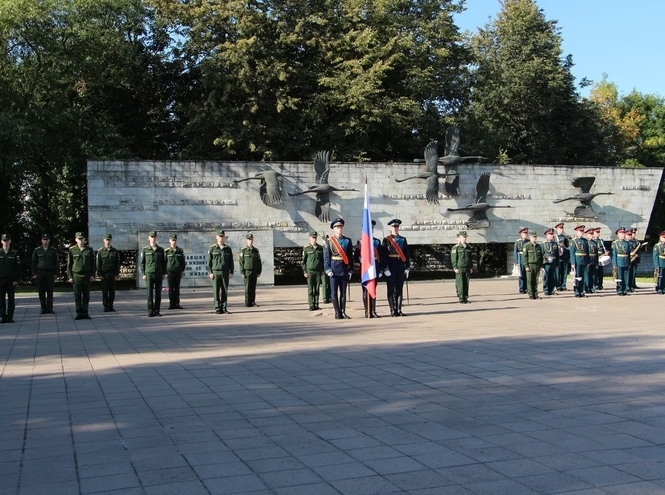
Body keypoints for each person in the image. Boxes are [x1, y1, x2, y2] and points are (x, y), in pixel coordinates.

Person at [323, 218, 354, 319]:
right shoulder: (330, 241)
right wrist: (327, 269)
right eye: (337, 227)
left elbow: (350, 256)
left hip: (344, 269)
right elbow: (327, 256)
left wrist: (350, 269)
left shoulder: (347, 241)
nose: (339, 229)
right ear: (334, 229)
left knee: (343, 293)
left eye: (340, 227)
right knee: (334, 292)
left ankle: (343, 311)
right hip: (334, 270)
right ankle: (337, 312)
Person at [354, 220, 385, 318]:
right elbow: (355, 257)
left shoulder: (376, 242)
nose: (370, 230)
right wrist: (360, 258)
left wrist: (380, 270)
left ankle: (373, 311)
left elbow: (380, 257)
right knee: (365, 290)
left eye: (371, 228)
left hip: (374, 268)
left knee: (373, 290)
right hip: (365, 269)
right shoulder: (360, 242)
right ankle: (367, 311)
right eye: (368, 228)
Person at [383, 218, 410, 316]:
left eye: (397, 226)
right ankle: (392, 310)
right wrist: (385, 268)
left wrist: (407, 267)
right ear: (390, 228)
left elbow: (406, 254)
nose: (395, 228)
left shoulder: (403, 239)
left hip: (400, 266)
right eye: (393, 227)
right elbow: (383, 256)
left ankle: (399, 309)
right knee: (390, 289)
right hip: (390, 266)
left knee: (399, 289)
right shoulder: (386, 240)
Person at [67, 232, 95, 320]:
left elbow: (92, 264)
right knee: (77, 295)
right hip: (76, 275)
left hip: (86, 275)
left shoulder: (89, 250)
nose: (80, 240)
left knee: (86, 295)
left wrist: (92, 275)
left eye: (82, 238)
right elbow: (69, 264)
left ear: (85, 239)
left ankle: (85, 312)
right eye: (79, 239)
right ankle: (79, 312)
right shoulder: (72, 250)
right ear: (75, 239)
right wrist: (70, 276)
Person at [140, 231, 166, 317]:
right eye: (151, 237)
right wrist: (143, 273)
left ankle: (157, 310)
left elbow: (163, 262)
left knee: (158, 293)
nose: (153, 238)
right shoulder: (145, 249)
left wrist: (164, 273)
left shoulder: (161, 250)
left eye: (154, 237)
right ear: (149, 238)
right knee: (149, 293)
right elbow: (142, 263)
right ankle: (151, 310)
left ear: (156, 238)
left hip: (158, 273)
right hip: (149, 273)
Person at [207, 229, 234, 314]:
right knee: (216, 291)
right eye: (219, 236)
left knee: (224, 290)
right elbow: (209, 262)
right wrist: (210, 272)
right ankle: (217, 307)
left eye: (222, 236)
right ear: (216, 237)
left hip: (225, 272)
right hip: (215, 272)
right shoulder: (212, 248)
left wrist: (231, 272)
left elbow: (231, 261)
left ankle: (224, 307)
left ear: (224, 237)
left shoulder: (228, 249)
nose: (221, 238)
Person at [31, 233, 59, 314]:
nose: (45, 241)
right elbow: (34, 263)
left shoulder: (53, 250)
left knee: (50, 291)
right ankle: (43, 308)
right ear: (41, 240)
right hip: (40, 272)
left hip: (50, 272)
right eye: (44, 239)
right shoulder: (37, 250)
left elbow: (56, 263)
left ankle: (49, 308)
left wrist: (56, 274)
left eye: (47, 240)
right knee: (41, 291)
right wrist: (34, 274)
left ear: (49, 240)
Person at [96, 233, 121, 312]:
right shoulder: (100, 251)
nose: (108, 242)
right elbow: (98, 263)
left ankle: (111, 305)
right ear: (104, 240)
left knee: (112, 291)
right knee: (105, 291)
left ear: (111, 241)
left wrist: (117, 273)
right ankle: (105, 306)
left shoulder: (114, 251)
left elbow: (117, 263)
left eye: (109, 240)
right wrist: (99, 274)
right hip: (104, 274)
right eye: (106, 240)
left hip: (112, 274)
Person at [0, 234, 20, 324]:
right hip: (1, 279)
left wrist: (16, 280)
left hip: (11, 280)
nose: (6, 242)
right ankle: (3, 316)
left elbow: (17, 268)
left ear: (10, 241)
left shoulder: (14, 253)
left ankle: (10, 316)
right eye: (4, 240)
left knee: (11, 299)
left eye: (7, 240)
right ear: (1, 241)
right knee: (1, 299)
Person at [302, 231, 324, 311]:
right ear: (310, 238)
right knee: (311, 289)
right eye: (313, 237)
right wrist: (305, 271)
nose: (314, 239)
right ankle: (311, 305)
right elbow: (303, 262)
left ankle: (316, 304)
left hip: (318, 271)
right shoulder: (307, 248)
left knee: (317, 288)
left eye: (315, 237)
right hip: (310, 271)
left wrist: (322, 270)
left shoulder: (320, 248)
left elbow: (322, 260)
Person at [239, 233, 262, 307]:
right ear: (246, 240)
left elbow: (259, 262)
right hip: (247, 271)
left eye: (251, 239)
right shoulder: (243, 250)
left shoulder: (256, 250)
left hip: (254, 271)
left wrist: (259, 271)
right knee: (247, 287)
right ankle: (247, 301)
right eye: (249, 239)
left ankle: (252, 301)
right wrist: (242, 272)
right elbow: (241, 262)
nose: (250, 241)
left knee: (253, 287)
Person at [165, 234, 186, 310]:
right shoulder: (167, 251)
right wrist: (165, 272)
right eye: (172, 240)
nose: (173, 242)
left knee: (177, 288)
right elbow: (164, 262)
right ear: (169, 241)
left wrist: (182, 270)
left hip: (178, 272)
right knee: (171, 288)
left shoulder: (180, 251)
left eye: (175, 240)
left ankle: (177, 303)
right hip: (170, 272)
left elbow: (183, 262)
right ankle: (171, 304)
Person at [451, 231, 473, 303]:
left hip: (467, 267)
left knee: (466, 283)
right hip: (460, 268)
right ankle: (461, 297)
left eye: (465, 237)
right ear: (459, 238)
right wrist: (455, 267)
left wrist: (471, 267)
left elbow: (470, 258)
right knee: (460, 283)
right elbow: (454, 258)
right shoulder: (456, 248)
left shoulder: (468, 247)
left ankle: (465, 297)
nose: (465, 238)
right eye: (463, 237)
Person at [569, 225, 589, 298]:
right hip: (577, 261)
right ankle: (577, 291)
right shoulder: (573, 241)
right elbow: (572, 253)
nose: (582, 233)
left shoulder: (585, 240)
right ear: (577, 232)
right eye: (580, 231)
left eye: (582, 231)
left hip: (584, 261)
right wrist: (573, 263)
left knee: (582, 277)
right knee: (577, 277)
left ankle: (581, 291)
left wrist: (587, 262)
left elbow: (587, 252)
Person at [523, 231, 543, 300]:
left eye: (535, 237)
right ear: (530, 237)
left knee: (536, 280)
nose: (535, 238)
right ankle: (531, 294)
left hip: (537, 265)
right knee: (530, 280)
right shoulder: (527, 246)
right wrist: (526, 266)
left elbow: (540, 257)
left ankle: (536, 294)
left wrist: (541, 266)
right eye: (533, 237)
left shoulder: (538, 246)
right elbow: (525, 257)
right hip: (530, 265)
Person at [611, 227, 630, 296]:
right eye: (621, 233)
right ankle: (619, 289)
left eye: (623, 233)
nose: (622, 235)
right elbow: (614, 254)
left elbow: (628, 254)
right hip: (619, 262)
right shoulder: (615, 243)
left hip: (626, 261)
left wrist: (629, 262)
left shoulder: (627, 243)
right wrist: (614, 264)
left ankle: (624, 289)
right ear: (618, 234)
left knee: (625, 277)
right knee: (619, 277)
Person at [542, 229, 559, 296]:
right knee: (547, 277)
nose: (552, 236)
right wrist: (541, 265)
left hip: (554, 262)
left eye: (552, 234)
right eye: (550, 234)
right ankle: (546, 290)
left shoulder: (555, 244)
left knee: (553, 277)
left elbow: (557, 254)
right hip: (547, 263)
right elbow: (542, 254)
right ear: (547, 235)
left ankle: (551, 290)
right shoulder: (543, 244)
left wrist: (557, 263)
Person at [554, 222, 571, 291]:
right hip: (558, 257)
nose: (561, 230)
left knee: (564, 272)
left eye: (562, 228)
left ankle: (563, 286)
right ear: (557, 229)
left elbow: (569, 247)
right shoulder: (555, 238)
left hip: (565, 257)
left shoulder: (566, 237)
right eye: (559, 229)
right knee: (558, 272)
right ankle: (558, 286)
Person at [513, 227, 529, 294]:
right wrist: (516, 261)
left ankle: (527, 288)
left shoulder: (528, 241)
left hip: (527, 260)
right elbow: (515, 251)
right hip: (520, 259)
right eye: (524, 233)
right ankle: (521, 288)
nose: (525, 234)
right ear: (521, 234)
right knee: (521, 275)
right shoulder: (518, 242)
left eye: (526, 233)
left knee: (527, 275)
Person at [584, 228, 598, 294]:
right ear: (587, 235)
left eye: (592, 234)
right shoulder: (585, 242)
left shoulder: (595, 242)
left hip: (593, 260)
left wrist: (596, 262)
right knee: (587, 275)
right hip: (588, 260)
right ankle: (586, 288)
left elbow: (596, 253)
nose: (591, 235)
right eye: (590, 234)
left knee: (592, 275)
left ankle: (591, 288)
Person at [321, 234, 332, 304]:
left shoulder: (330, 247)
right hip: (323, 268)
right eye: (324, 240)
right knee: (324, 284)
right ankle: (325, 298)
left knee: (330, 283)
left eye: (327, 240)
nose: (325, 241)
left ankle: (330, 297)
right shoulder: (321, 248)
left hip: (330, 268)